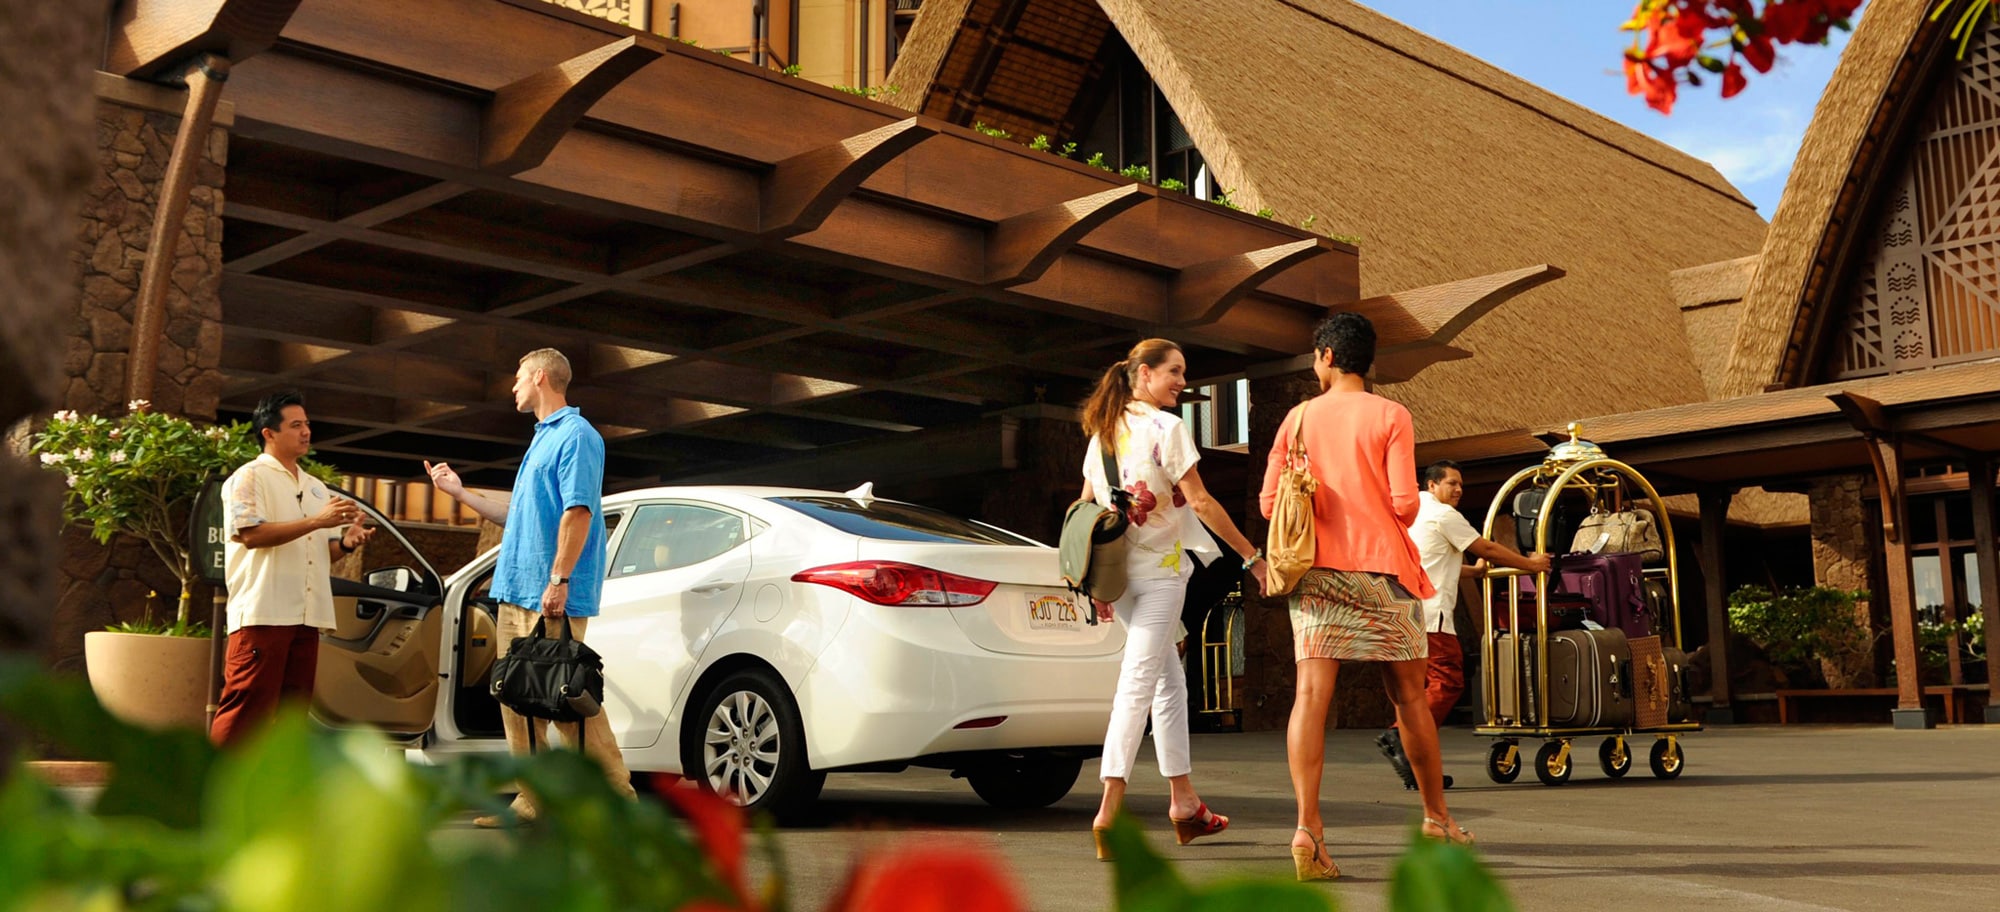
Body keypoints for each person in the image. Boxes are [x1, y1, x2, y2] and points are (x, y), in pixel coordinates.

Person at [1259, 313, 1474, 882]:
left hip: (1317, 573)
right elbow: (1406, 503)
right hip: (1384, 571)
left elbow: (1267, 505)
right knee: (1409, 697)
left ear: (1327, 356)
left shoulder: (1297, 419)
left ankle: (1309, 830)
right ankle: (1436, 817)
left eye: (1314, 357)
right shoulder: (1391, 415)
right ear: (1365, 360)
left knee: (1311, 695)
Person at [1078, 338, 1270, 861]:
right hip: (1161, 575)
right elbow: (1202, 500)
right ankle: (1109, 809)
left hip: (1119, 581)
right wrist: (1253, 558)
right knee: (1138, 683)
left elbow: (1087, 506)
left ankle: (1184, 803)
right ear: (1143, 374)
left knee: (1167, 682)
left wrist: (1093, 581)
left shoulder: (1104, 435)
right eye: (1175, 372)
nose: (1183, 382)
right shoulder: (1167, 429)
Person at [426, 348, 635, 827]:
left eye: (518, 377)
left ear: (540, 377)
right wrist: (458, 492)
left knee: (564, 697)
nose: (512, 386)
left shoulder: (577, 436)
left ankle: (616, 797)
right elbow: (513, 516)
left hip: (549, 593)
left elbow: (578, 511)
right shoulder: (540, 440)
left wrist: (559, 578)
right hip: (517, 589)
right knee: (519, 699)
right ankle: (531, 799)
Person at [1376, 460, 1551, 791]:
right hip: (1430, 616)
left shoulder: (1410, 515)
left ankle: (1417, 766)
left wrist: (1473, 572)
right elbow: (1484, 547)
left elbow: (1433, 562)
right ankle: (1400, 735)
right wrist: (1530, 564)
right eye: (1451, 483)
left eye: (1460, 485)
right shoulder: (1444, 515)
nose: (1458, 490)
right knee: (1449, 680)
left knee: (1414, 691)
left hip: (1400, 613)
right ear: (1431, 486)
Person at [211, 391, 373, 747]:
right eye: (296, 425)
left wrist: (346, 542)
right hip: (263, 613)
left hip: (307, 616)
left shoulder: (315, 487)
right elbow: (251, 535)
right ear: (269, 433)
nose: (306, 432)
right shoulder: (248, 477)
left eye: (307, 424)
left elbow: (323, 553)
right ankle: (212, 796)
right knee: (245, 710)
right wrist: (317, 521)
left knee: (291, 717)